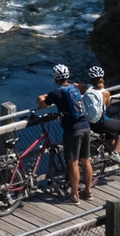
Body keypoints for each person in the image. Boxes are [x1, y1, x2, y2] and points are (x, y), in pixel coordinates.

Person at [37, 64, 94, 203]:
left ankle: (74, 196)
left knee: (73, 163)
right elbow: (88, 86)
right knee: (86, 160)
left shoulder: (55, 93)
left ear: (55, 78)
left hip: (72, 130)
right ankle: (88, 191)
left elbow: (42, 105)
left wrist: (41, 96)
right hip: (86, 126)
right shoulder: (75, 87)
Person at [84, 66, 120, 159]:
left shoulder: (87, 90)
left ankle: (114, 155)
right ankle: (116, 153)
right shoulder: (106, 93)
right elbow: (107, 106)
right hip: (101, 123)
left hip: (90, 123)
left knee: (109, 132)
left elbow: (76, 85)